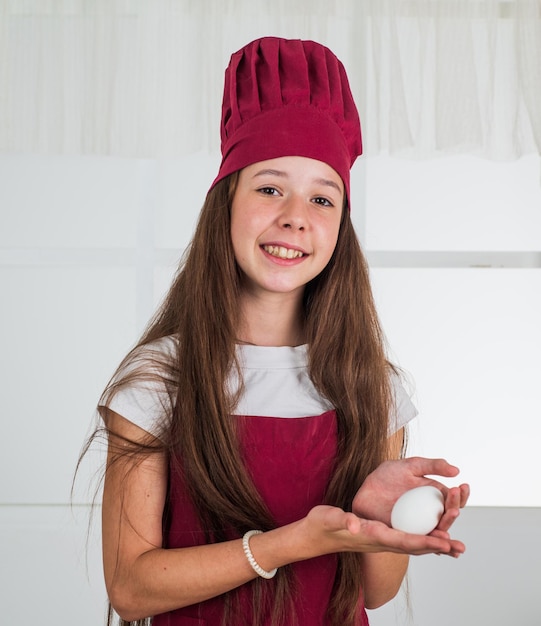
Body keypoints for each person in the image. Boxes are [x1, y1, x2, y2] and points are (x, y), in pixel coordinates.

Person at [94, 36, 469, 626]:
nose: (295, 215)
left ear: (341, 228)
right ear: (226, 201)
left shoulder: (373, 385)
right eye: (270, 188)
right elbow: (132, 587)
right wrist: (286, 544)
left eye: (324, 199)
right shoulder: (159, 379)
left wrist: (377, 518)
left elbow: (374, 595)